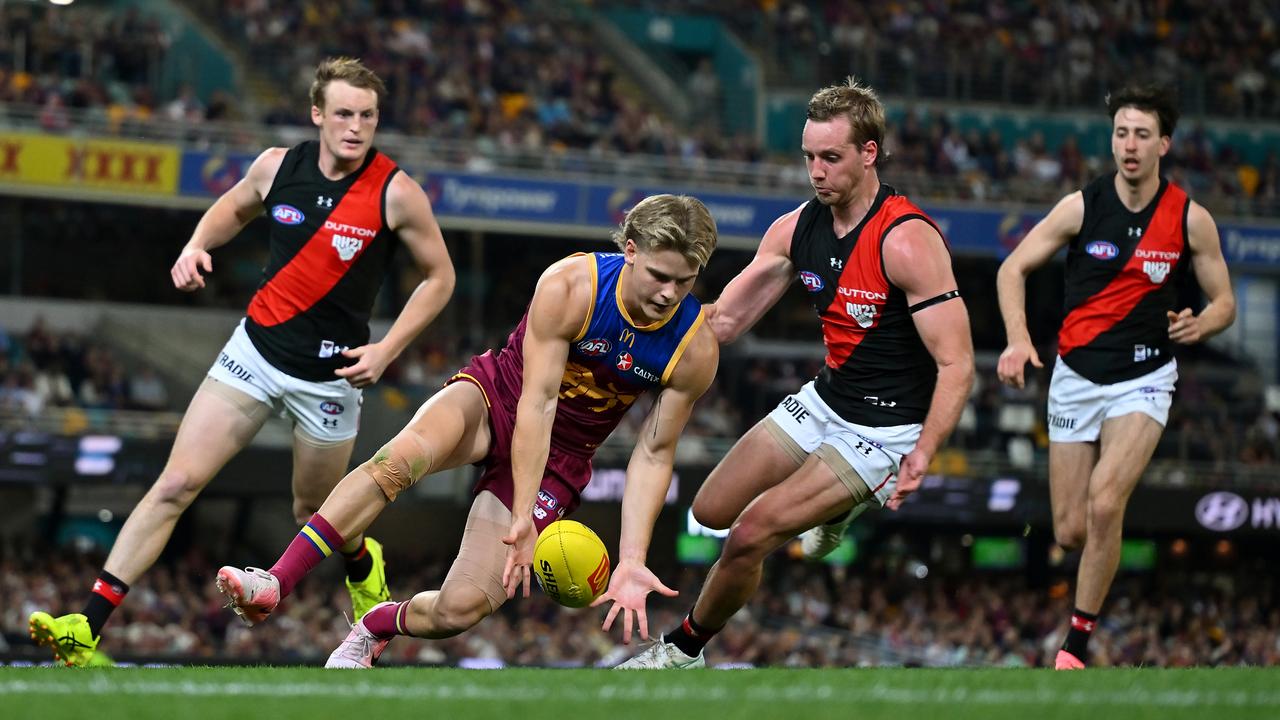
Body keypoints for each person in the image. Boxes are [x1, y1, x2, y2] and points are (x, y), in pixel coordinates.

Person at [28, 57, 456, 666]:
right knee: (175, 484)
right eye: (342, 114)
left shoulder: (396, 193)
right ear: (317, 115)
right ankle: (86, 628)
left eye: (367, 116)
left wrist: (388, 348)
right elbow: (232, 208)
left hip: (328, 380)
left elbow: (441, 278)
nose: (355, 127)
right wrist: (197, 245)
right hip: (252, 355)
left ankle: (364, 559)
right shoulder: (277, 167)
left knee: (314, 513)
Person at [215, 194, 720, 668]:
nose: (670, 294)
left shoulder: (694, 350)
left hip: (562, 457)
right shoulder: (571, 287)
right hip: (495, 399)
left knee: (460, 609)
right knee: (396, 463)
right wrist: (522, 516)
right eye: (660, 276)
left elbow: (654, 454)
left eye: (686, 281)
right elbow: (536, 403)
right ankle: (274, 582)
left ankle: (375, 623)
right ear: (630, 251)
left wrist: (632, 559)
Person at [618, 79, 974, 669]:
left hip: (885, 430)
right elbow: (724, 320)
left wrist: (923, 453)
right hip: (826, 400)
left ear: (868, 154)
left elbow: (957, 363)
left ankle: (682, 650)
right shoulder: (794, 230)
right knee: (708, 512)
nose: (816, 171)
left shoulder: (907, 241)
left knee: (749, 536)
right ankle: (835, 508)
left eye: (830, 158)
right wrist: (629, 327)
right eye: (809, 156)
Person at [994, 83, 1235, 670]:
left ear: (1164, 145)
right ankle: (1101, 544)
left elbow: (1225, 300)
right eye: (1122, 133)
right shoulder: (1081, 206)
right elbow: (1012, 268)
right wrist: (1019, 339)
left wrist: (1201, 324)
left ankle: (1075, 645)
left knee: (1106, 502)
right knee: (1071, 530)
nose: (1129, 145)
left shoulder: (1189, 218)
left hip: (1145, 377)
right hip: (1075, 377)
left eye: (1142, 135)